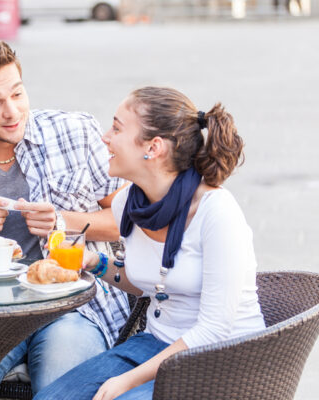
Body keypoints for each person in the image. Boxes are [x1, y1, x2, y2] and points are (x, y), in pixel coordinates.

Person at [0, 36, 130, 395]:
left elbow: (124, 221)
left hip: (72, 303)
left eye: (17, 94)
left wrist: (62, 222)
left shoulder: (74, 132)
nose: (12, 112)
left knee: (62, 390)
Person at [35, 86, 266, 400]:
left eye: (117, 128)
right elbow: (152, 282)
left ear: (153, 147)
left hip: (222, 360)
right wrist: (95, 263)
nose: (105, 137)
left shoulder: (216, 213)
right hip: (155, 344)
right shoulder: (129, 204)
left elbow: (214, 329)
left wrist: (127, 381)